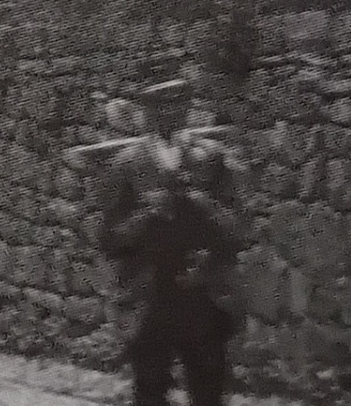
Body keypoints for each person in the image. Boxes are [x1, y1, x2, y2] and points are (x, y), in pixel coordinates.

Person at [94, 78, 245, 406]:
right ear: (147, 112)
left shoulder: (213, 158)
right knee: (149, 392)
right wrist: (148, 213)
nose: (170, 113)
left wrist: (200, 202)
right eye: (160, 106)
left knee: (208, 392)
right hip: (149, 301)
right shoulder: (127, 165)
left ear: (189, 107)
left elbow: (236, 231)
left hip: (203, 298)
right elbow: (108, 239)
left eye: (178, 104)